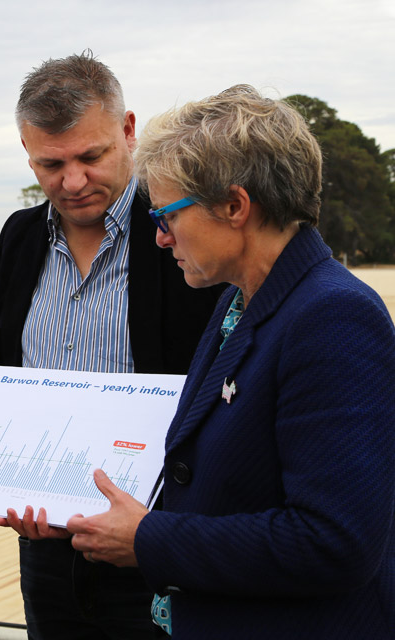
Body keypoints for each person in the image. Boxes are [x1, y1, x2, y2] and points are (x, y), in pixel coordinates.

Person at [66, 85, 395, 638]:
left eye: (166, 215)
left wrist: (147, 539)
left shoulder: (333, 317)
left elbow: (335, 543)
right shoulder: (239, 301)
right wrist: (89, 518)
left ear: (235, 206)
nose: (160, 237)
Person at [0, 51, 224, 639]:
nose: (72, 182)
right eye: (49, 164)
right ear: (26, 151)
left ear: (128, 131)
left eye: (90, 156)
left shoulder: (182, 230)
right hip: (48, 552)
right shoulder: (20, 236)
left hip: (165, 549)